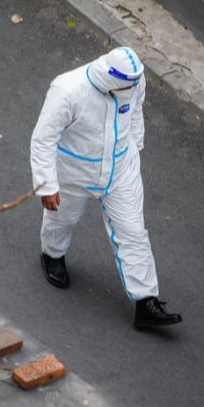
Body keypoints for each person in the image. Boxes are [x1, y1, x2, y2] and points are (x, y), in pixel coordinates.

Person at [29, 46, 182, 329]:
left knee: (133, 231)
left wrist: (136, 145)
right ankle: (52, 255)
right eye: (129, 84)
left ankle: (146, 301)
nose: (134, 87)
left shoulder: (134, 82)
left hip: (121, 168)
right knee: (63, 218)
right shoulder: (68, 90)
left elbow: (135, 113)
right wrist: (47, 185)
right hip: (74, 170)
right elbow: (43, 139)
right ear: (113, 79)